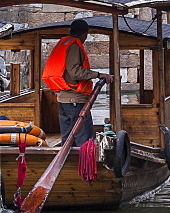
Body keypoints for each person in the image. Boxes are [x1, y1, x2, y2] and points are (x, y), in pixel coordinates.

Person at [41, 19, 115, 147]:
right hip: (74, 99)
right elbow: (75, 72)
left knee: (68, 136)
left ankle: (69, 163)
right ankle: (84, 165)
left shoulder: (64, 43)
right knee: (83, 137)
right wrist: (98, 74)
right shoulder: (74, 46)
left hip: (63, 98)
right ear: (85, 33)